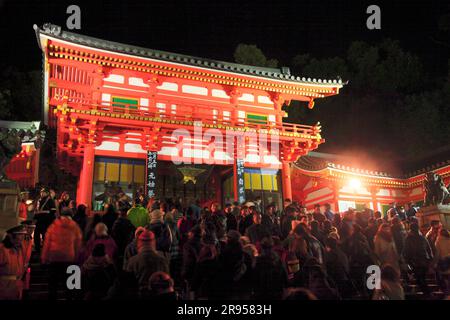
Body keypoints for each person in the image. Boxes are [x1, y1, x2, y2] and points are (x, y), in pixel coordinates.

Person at [41, 208, 82, 300]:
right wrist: (77, 258)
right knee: (70, 287)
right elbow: (78, 244)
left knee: (53, 286)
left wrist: (44, 258)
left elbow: (47, 243)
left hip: (54, 258)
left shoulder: (53, 226)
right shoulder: (75, 227)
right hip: (69, 259)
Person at [125, 230, 170, 296]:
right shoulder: (163, 259)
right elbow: (167, 281)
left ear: (139, 243)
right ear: (153, 242)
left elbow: (127, 283)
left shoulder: (132, 261)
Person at [404, 222, 433, 295]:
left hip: (415, 261)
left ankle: (427, 292)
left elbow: (407, 251)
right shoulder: (422, 237)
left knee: (420, 278)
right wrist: (430, 258)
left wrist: (407, 260)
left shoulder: (408, 239)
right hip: (424, 260)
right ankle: (427, 292)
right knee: (422, 277)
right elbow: (428, 248)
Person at [0, 225, 28, 300]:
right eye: (19, 234)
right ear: (11, 236)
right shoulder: (2, 250)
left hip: (17, 288)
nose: (22, 237)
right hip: (4, 289)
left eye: (23, 234)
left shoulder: (20, 249)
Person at [33, 187, 56, 253]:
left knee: (45, 235)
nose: (41, 193)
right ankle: (37, 248)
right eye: (41, 192)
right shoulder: (39, 201)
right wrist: (35, 218)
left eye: (43, 192)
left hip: (46, 221)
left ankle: (45, 249)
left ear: (47, 193)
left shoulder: (50, 200)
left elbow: (53, 211)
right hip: (39, 221)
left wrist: (50, 220)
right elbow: (37, 211)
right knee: (36, 234)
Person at [432, 228, 450, 295]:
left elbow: (437, 253)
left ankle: (447, 292)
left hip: (444, 262)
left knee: (445, 277)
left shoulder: (438, 240)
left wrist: (435, 263)